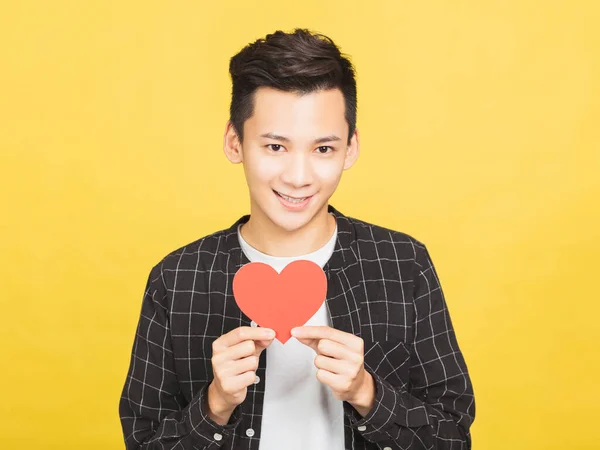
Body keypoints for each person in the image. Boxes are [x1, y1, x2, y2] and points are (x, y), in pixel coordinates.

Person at [119, 28, 475, 450]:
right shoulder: (177, 278)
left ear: (350, 149)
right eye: (275, 147)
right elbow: (142, 441)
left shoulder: (403, 263)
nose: (299, 177)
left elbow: (452, 438)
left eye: (323, 149)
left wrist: (367, 394)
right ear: (236, 142)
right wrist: (214, 406)